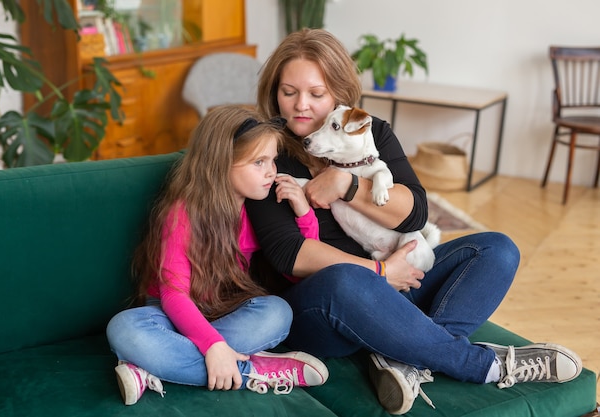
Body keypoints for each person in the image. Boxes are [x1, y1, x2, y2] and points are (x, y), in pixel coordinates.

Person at [245, 28, 583, 415]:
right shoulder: (265, 150)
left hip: (397, 286)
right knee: (346, 279)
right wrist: (380, 271)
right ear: (275, 93)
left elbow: (416, 212)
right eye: (288, 92)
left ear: (339, 94)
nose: (301, 106)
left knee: (497, 249)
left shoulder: (373, 133)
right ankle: (481, 365)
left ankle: (404, 357)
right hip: (326, 307)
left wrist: (348, 185)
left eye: (316, 94)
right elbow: (291, 254)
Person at [106, 105, 328, 406]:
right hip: (172, 313)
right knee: (124, 329)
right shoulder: (183, 213)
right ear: (222, 163)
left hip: (223, 311)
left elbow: (295, 271)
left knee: (278, 312)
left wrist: (305, 216)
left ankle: (151, 367)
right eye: (259, 162)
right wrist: (212, 345)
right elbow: (173, 295)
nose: (272, 172)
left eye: (273, 160)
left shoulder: (258, 211)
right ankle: (253, 371)